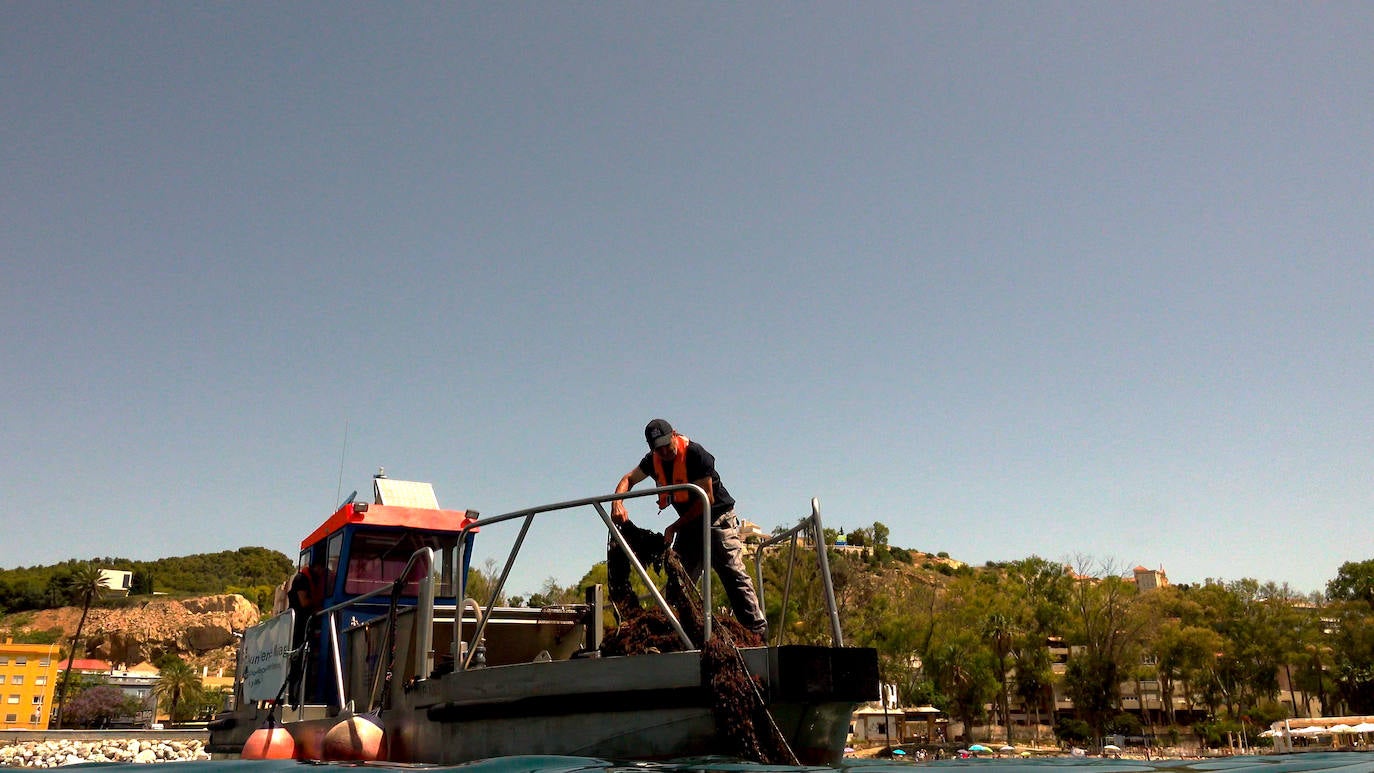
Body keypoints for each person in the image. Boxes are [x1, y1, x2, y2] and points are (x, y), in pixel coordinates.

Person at [611, 418, 767, 639]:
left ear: (674, 434)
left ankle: (757, 632)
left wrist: (674, 527)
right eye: (659, 447)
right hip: (688, 526)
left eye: (667, 443)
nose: (665, 450)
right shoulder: (652, 461)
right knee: (678, 581)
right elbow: (629, 478)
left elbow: (707, 499)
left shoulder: (696, 454)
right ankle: (674, 635)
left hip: (716, 519)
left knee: (733, 575)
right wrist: (617, 501)